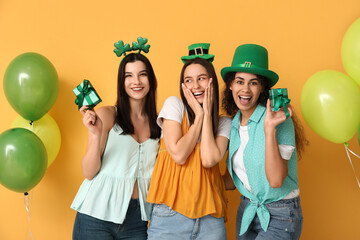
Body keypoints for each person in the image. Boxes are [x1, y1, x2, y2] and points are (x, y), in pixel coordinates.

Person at [71, 45, 161, 240]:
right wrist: (95, 135)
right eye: (128, 76)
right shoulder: (107, 115)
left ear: (151, 79)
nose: (136, 81)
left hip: (137, 219)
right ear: (122, 82)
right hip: (95, 216)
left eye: (142, 74)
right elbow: (88, 172)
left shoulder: (160, 122)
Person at [221, 44, 307, 240]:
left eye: (253, 83)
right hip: (248, 209)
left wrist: (269, 130)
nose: (245, 89)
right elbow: (231, 181)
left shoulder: (279, 120)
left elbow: (276, 180)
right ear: (230, 85)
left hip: (281, 214)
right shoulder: (233, 124)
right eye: (240, 81)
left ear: (262, 88)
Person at [146, 43, 232, 240]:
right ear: (182, 85)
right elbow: (178, 154)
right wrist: (199, 116)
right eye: (189, 80)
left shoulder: (224, 123)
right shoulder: (174, 105)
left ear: (212, 81)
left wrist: (207, 113)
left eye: (201, 79)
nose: (195, 86)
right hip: (169, 217)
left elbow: (209, 160)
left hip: (211, 221)